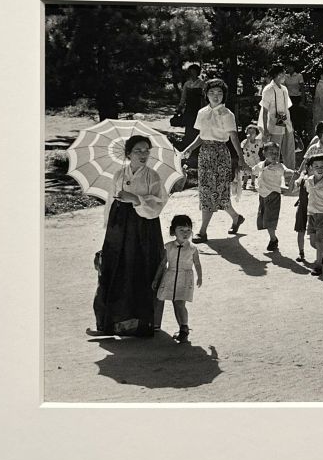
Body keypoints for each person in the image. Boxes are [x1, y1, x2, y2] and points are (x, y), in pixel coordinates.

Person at [92, 135, 168, 338]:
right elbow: (111, 201)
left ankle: (139, 324)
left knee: (140, 270)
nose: (143, 155)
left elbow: (157, 205)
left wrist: (135, 198)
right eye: (138, 151)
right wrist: (109, 230)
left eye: (146, 151)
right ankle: (111, 323)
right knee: (115, 269)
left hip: (143, 228)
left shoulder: (153, 176)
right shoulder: (119, 174)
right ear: (128, 154)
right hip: (120, 227)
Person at [181, 79, 245, 243]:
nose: (215, 96)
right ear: (206, 94)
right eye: (212, 93)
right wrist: (189, 148)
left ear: (224, 95)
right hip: (205, 154)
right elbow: (202, 135)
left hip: (220, 154)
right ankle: (236, 218)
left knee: (218, 191)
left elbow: (233, 136)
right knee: (207, 191)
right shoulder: (202, 112)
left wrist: (241, 157)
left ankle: (202, 232)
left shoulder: (227, 114)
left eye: (219, 93)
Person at [151, 215, 202, 344]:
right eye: (181, 230)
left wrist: (200, 277)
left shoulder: (192, 248)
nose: (185, 233)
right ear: (173, 231)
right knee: (175, 303)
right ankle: (181, 328)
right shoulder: (168, 247)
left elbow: (197, 263)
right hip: (170, 277)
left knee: (180, 304)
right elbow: (163, 264)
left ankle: (184, 327)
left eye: (188, 230)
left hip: (185, 279)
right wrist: (156, 279)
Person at [252, 141, 296, 252]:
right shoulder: (260, 165)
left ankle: (273, 239)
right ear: (264, 153)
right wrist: (242, 168)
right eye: (271, 152)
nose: (274, 155)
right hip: (262, 195)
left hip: (273, 195)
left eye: (276, 153)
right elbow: (252, 171)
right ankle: (273, 238)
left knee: (270, 219)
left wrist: (293, 172)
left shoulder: (279, 166)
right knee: (263, 219)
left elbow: (286, 171)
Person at [259, 64, 296, 170]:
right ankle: (272, 173)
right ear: (279, 75)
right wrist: (265, 129)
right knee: (274, 150)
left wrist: (289, 123)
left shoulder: (284, 89)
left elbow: (286, 107)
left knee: (289, 148)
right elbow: (264, 111)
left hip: (285, 120)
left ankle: (290, 173)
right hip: (274, 123)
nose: (285, 76)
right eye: (283, 74)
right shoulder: (268, 89)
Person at [177, 63, 204, 145]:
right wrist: (180, 107)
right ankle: (187, 143)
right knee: (188, 126)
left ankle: (196, 145)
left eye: (194, 72)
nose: (192, 73)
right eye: (191, 72)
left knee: (197, 126)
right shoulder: (187, 84)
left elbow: (204, 98)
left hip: (198, 108)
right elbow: (183, 97)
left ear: (197, 72)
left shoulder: (202, 84)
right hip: (189, 108)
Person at [240, 124, 262, 190]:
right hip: (247, 159)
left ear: (256, 134)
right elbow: (244, 147)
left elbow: (263, 144)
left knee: (254, 171)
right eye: (249, 132)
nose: (251, 134)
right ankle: (244, 183)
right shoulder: (244, 141)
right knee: (246, 172)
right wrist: (248, 140)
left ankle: (252, 182)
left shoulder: (258, 141)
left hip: (255, 158)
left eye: (253, 132)